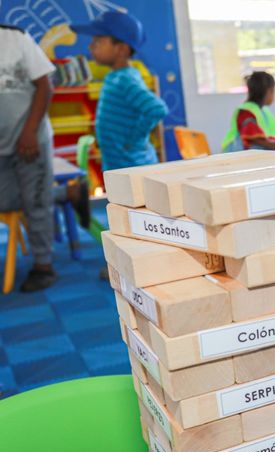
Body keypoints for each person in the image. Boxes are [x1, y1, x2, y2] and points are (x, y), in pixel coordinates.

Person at [71, 11, 167, 173]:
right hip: (119, 165)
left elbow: (157, 108)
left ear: (121, 49)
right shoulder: (115, 76)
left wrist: (135, 140)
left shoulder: (125, 80)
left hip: (134, 167)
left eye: (98, 41)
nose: (91, 46)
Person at [0, 24, 57, 292]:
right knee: (9, 202)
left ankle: (43, 266)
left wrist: (30, 132)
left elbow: (45, 86)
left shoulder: (15, 38)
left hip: (29, 139)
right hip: (2, 146)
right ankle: (69, 194)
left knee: (36, 203)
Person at [222, 71, 275, 152]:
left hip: (253, 153)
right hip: (236, 153)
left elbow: (270, 129)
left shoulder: (263, 111)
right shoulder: (246, 111)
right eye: (273, 92)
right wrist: (274, 145)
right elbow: (252, 138)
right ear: (269, 92)